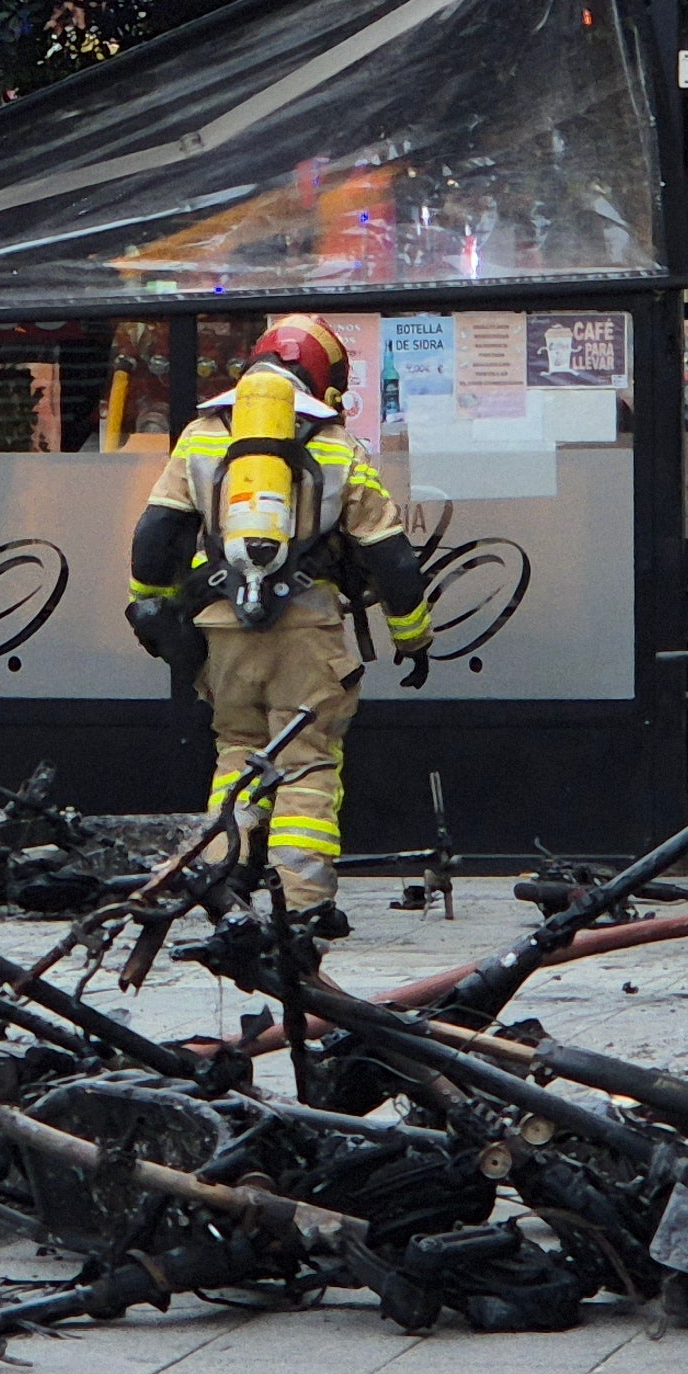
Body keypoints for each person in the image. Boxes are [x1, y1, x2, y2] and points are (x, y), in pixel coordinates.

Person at [121, 316, 432, 922]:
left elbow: (156, 530)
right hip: (306, 634)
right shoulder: (338, 446)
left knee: (236, 752)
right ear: (322, 378)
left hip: (221, 628)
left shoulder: (203, 435)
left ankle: (221, 887)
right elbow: (389, 555)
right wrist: (412, 635)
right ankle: (304, 907)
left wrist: (151, 606)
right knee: (307, 763)